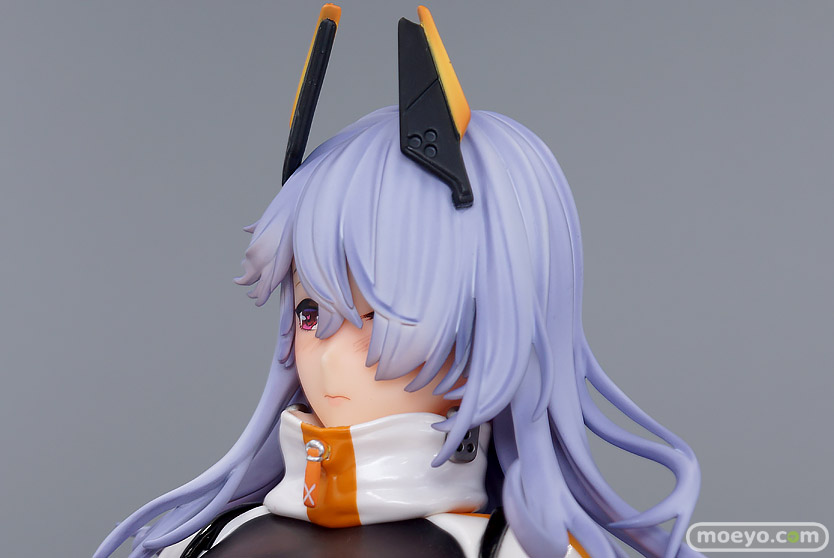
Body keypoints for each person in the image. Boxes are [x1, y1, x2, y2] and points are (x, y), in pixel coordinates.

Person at [94, 6, 704, 558]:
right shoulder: (203, 542)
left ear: (494, 321)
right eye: (310, 313)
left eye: (379, 316)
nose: (331, 357)